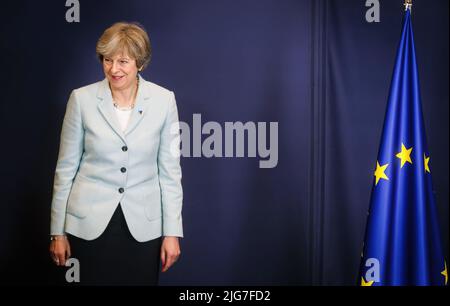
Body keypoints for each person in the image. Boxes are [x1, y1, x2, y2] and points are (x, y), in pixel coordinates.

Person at [49, 22, 183, 285]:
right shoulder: (81, 99)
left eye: (123, 61)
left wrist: (172, 233)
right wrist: (57, 232)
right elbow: (65, 169)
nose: (113, 69)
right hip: (86, 227)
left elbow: (170, 173)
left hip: (144, 229)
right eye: (107, 60)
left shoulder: (164, 101)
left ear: (140, 63)